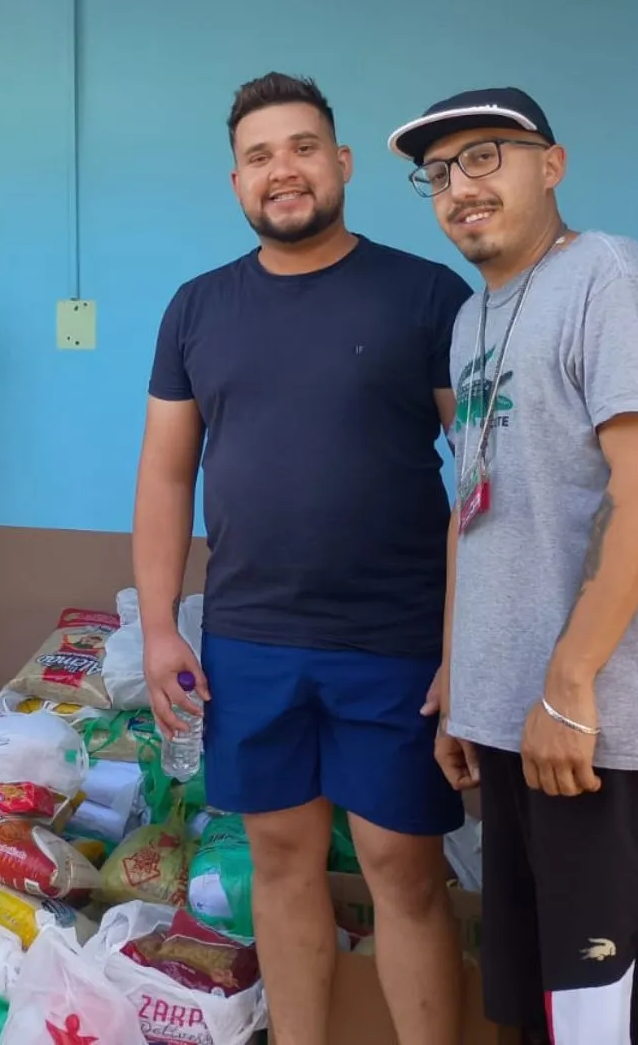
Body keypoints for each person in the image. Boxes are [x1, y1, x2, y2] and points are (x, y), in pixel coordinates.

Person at [133, 73, 474, 1045]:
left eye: (303, 147)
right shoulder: (197, 310)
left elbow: (485, 482)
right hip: (251, 637)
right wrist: (160, 628)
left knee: (402, 870)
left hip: (396, 641)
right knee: (281, 863)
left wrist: (467, 647)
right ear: (237, 181)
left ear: (344, 164)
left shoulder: (427, 296)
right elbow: (165, 477)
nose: (283, 170)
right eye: (260, 155)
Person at [392, 87, 638, 1044]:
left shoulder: (612, 276)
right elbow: (476, 505)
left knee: (603, 1020)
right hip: (508, 719)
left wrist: (569, 684)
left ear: (552, 164)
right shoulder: (476, 319)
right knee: (533, 1010)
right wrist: (462, 677)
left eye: (485, 157)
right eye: (439, 173)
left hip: (599, 730)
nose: (459, 188)